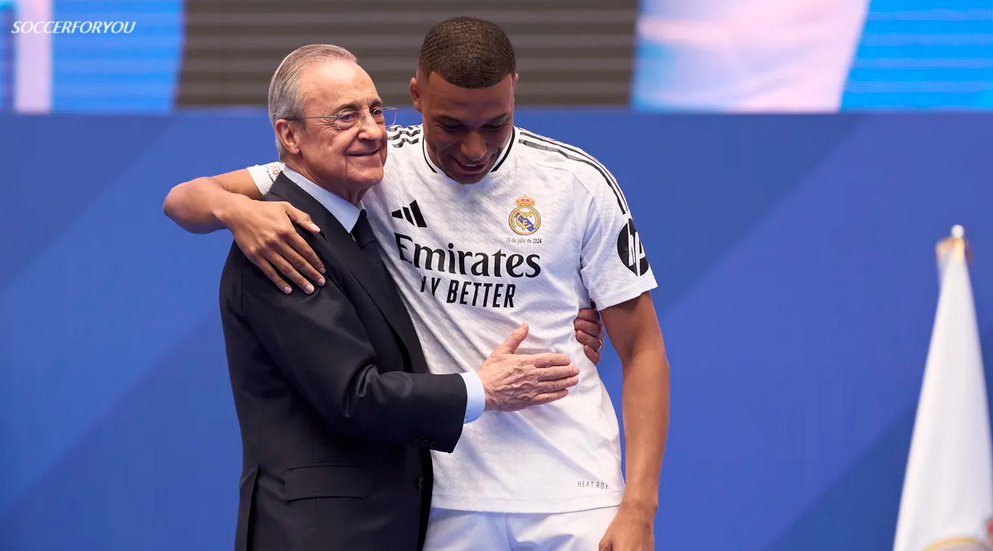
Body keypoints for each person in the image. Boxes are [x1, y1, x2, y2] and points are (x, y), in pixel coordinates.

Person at [164, 17, 670, 551]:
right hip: (443, 500)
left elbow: (643, 351)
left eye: (496, 124)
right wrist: (236, 211)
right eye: (452, 126)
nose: (475, 148)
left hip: (574, 492)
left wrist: (639, 507)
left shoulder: (578, 183)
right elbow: (184, 199)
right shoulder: (376, 162)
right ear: (418, 96)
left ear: (515, 91)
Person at [214, 44, 582, 551]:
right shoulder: (281, 238)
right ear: (289, 136)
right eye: (345, 116)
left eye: (374, 110)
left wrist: (571, 309)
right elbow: (355, 398)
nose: (370, 129)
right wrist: (483, 389)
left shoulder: (355, 222)